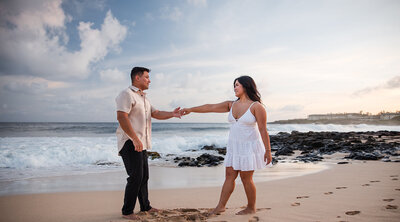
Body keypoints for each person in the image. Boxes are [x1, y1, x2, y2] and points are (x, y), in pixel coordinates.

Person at [181, 75, 272, 215]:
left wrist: (267, 150)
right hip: (234, 147)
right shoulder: (231, 105)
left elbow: (262, 129)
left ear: (246, 86)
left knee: (246, 178)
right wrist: (191, 109)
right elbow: (209, 107)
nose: (234, 88)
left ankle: (251, 207)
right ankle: (221, 206)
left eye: (237, 85)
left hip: (249, 147)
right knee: (229, 175)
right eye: (234, 85)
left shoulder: (257, 107)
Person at [115, 67, 182, 220]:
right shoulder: (126, 94)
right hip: (130, 142)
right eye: (146, 77)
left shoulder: (144, 98)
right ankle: (127, 211)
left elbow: (156, 113)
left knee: (144, 176)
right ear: (137, 78)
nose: (149, 80)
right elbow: (122, 117)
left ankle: (145, 206)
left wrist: (172, 114)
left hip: (141, 143)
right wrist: (135, 139)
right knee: (135, 177)